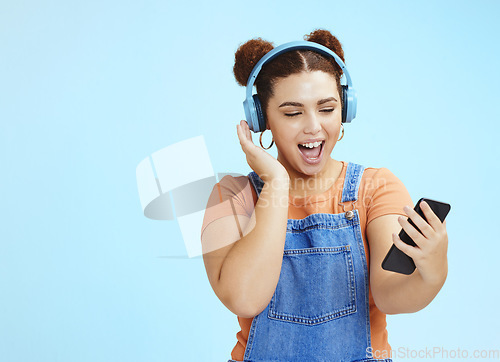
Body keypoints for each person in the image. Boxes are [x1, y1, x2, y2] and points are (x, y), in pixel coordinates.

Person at [200, 29, 449, 362]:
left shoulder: (376, 188)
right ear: (262, 119)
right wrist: (275, 183)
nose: (314, 127)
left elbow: (391, 296)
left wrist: (433, 270)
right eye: (292, 113)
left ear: (345, 109)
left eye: (327, 109)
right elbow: (244, 298)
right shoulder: (230, 197)